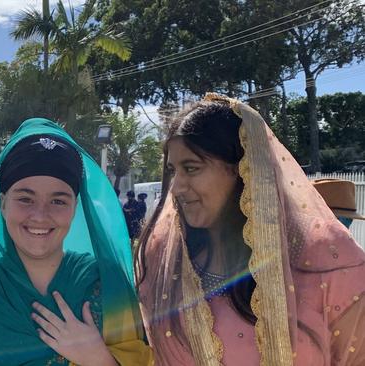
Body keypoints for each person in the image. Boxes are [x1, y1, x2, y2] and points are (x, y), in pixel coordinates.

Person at [136, 93, 365, 365]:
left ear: (243, 168)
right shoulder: (165, 259)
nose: (177, 187)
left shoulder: (325, 261)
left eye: (191, 168)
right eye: (173, 170)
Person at [0, 118, 152, 365]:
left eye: (58, 201)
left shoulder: (106, 283)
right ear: (3, 204)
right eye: (25, 199)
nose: (40, 215)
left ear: (75, 208)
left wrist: (100, 359)